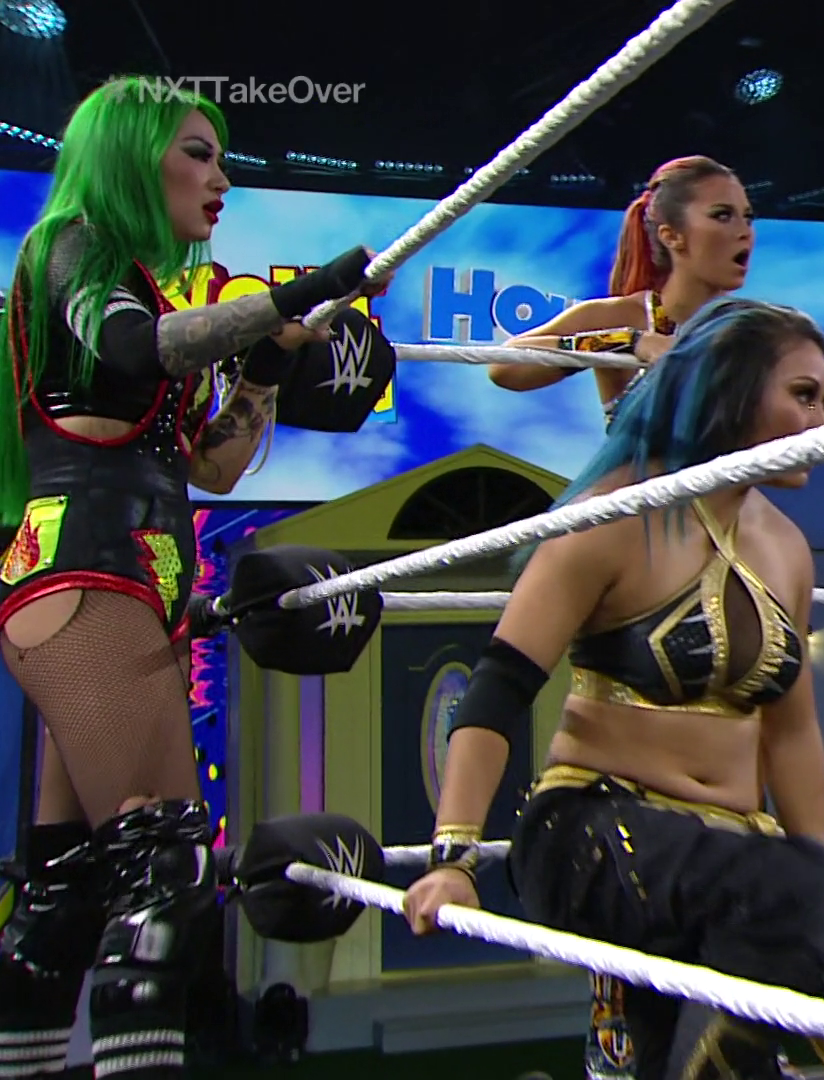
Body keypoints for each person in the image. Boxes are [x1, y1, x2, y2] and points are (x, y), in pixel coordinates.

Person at [0, 75, 379, 1079]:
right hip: (89, 571)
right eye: (198, 153)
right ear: (133, 158)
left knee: (69, 884)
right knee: (165, 866)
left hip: (126, 581)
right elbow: (143, 347)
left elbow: (210, 467)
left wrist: (268, 366)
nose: (221, 178)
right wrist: (279, 301)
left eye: (222, 157)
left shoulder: (132, 276)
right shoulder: (72, 246)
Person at [403, 298, 824, 1080]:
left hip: (725, 856)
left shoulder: (788, 548)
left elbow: (793, 730)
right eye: (804, 395)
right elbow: (498, 687)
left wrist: (815, 891)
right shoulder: (614, 517)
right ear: (735, 391)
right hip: (594, 834)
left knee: (670, 1046)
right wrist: (454, 860)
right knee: (774, 901)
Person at [486, 154, 824, 429]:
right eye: (722, 216)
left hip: (726, 523)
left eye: (748, 217)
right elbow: (506, 367)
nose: (744, 232)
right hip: (635, 528)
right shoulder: (625, 316)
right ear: (672, 236)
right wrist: (626, 343)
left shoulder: (756, 333)